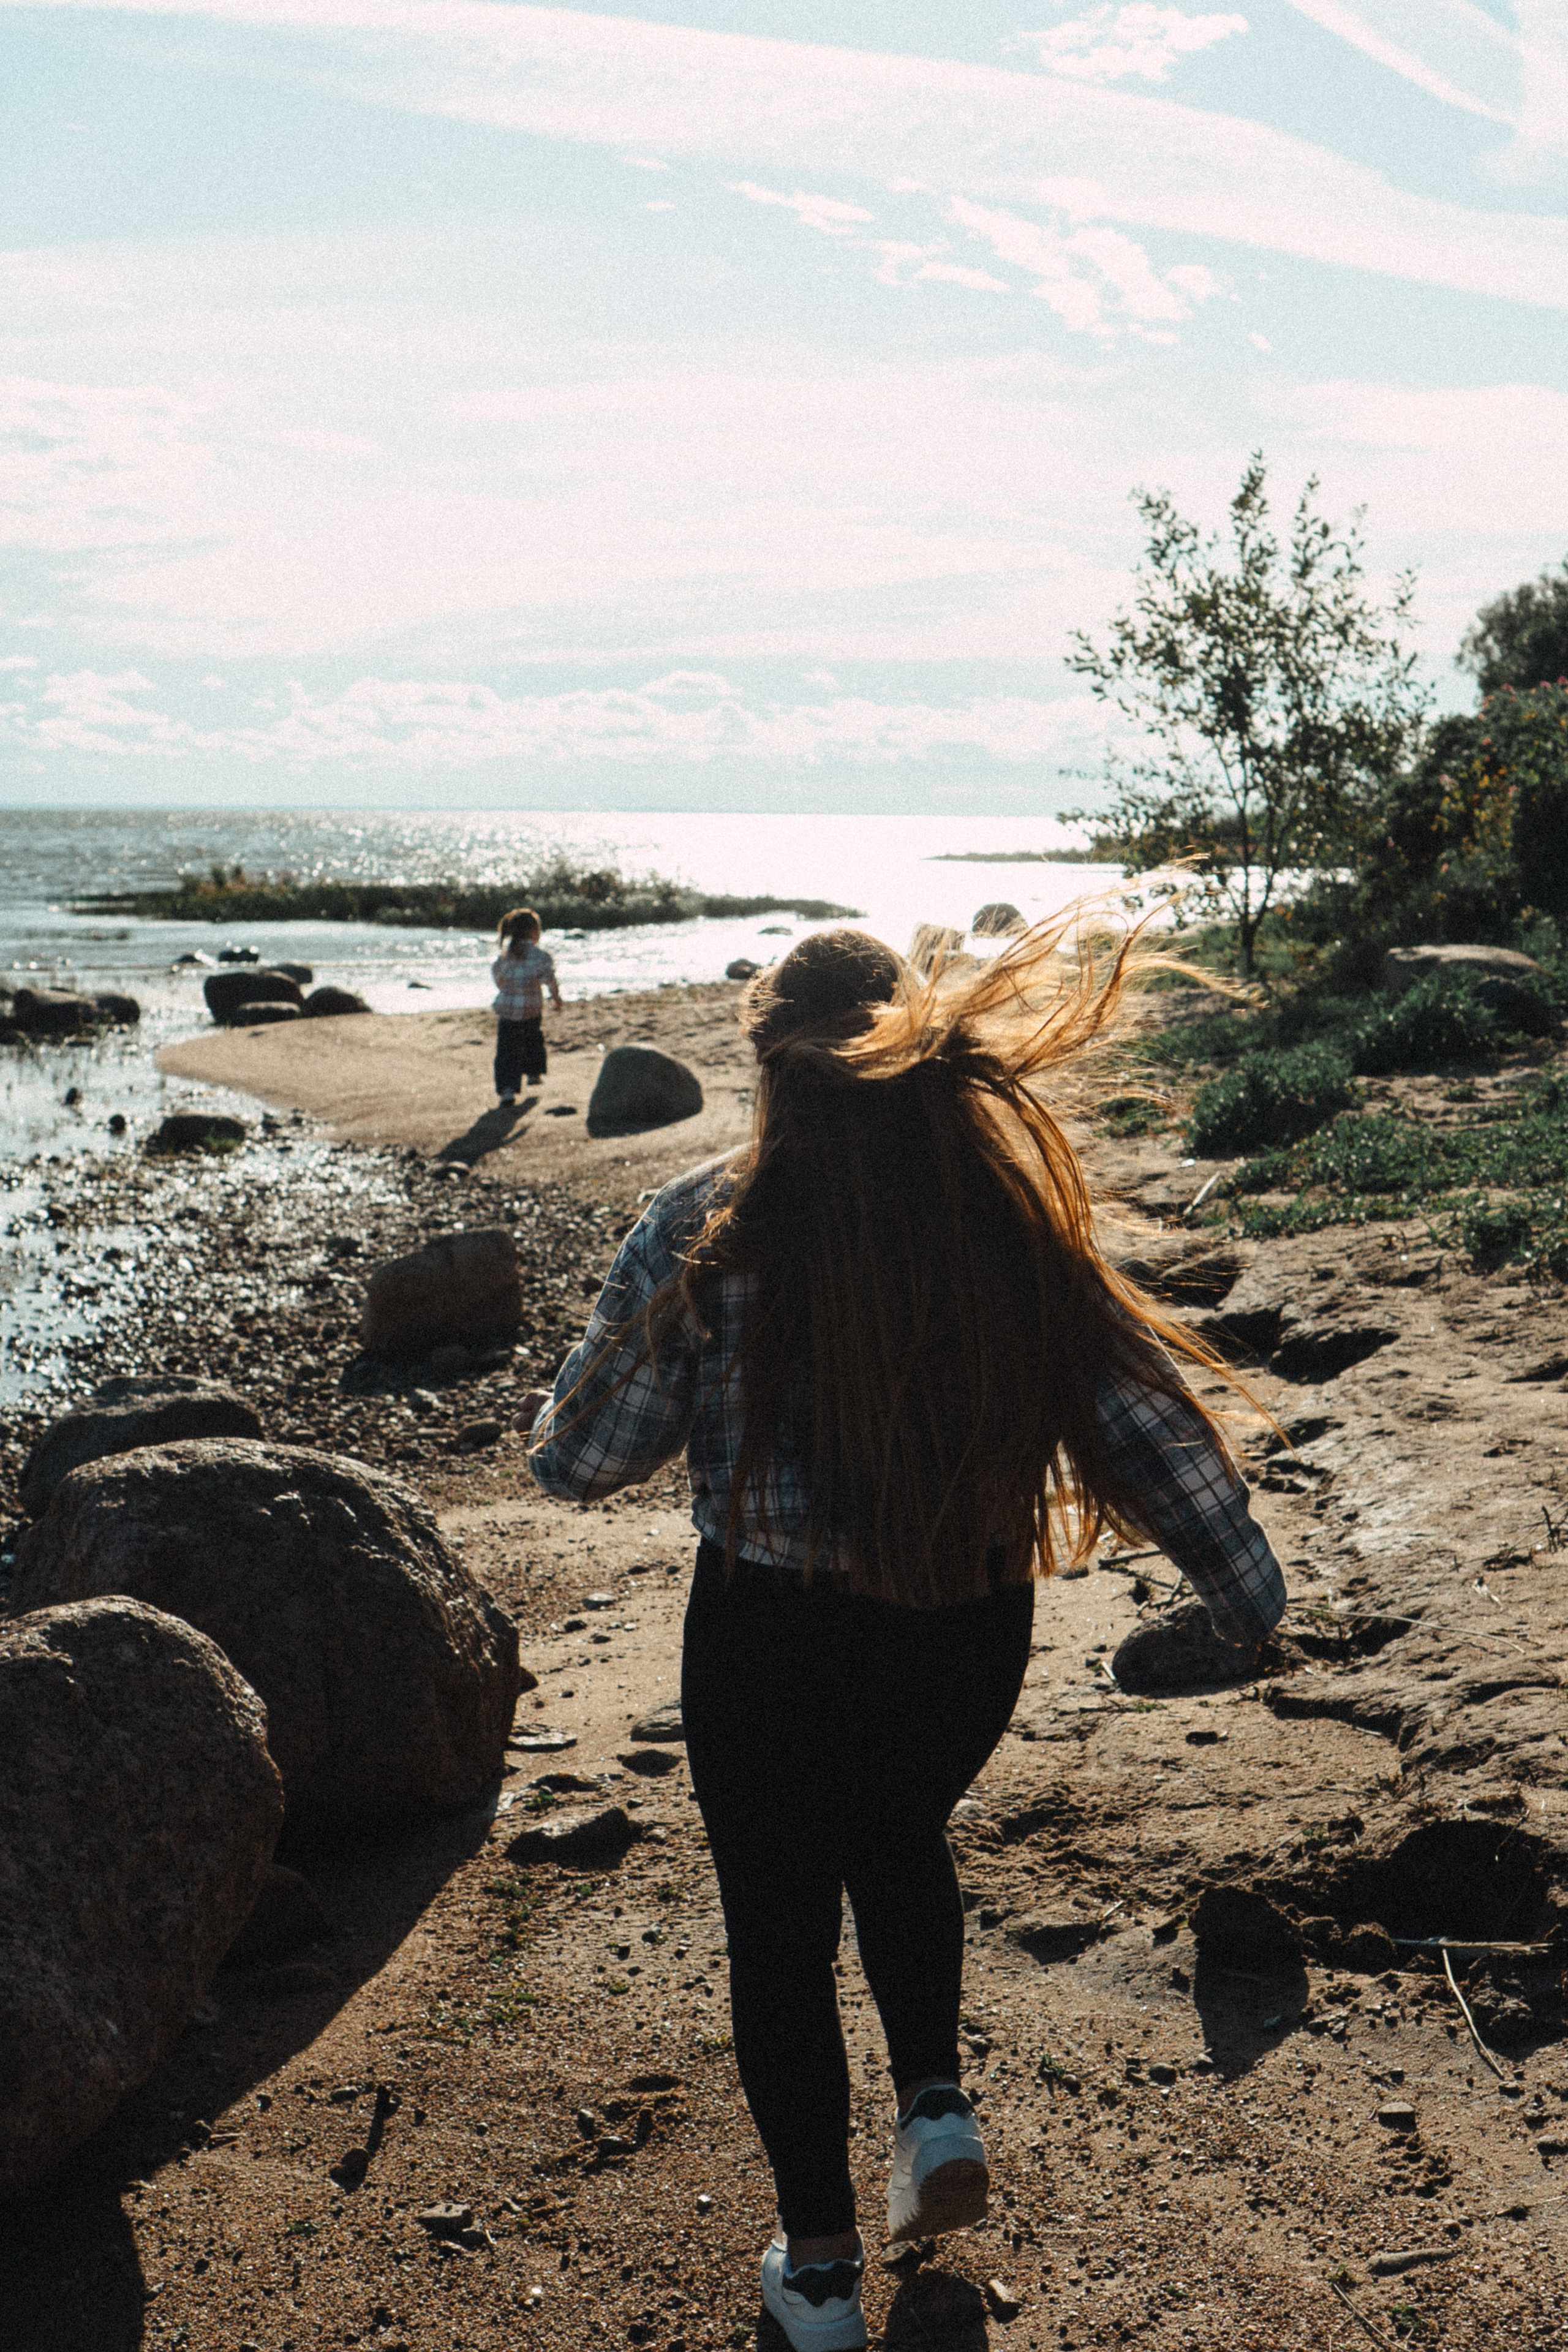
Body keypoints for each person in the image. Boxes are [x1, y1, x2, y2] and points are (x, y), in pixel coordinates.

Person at [524, 922, 1285, 2352]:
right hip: (962, 1627)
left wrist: (566, 1408)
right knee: (895, 1833)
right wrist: (1248, 1600)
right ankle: (931, 2103)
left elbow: (583, 1461)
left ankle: (816, 2277)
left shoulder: (706, 1223)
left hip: (766, 1637)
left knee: (776, 1927)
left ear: (768, 1063)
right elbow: (1149, 1427)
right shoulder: (1005, 1224)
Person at [491, 907, 562, 1105]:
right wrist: (556, 998)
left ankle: (507, 1091)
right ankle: (533, 1073)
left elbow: (498, 978)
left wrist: (506, 987)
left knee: (507, 1050)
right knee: (533, 1039)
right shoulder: (540, 956)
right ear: (533, 932)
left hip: (508, 1010)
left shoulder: (506, 957)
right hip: (532, 1008)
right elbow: (550, 979)